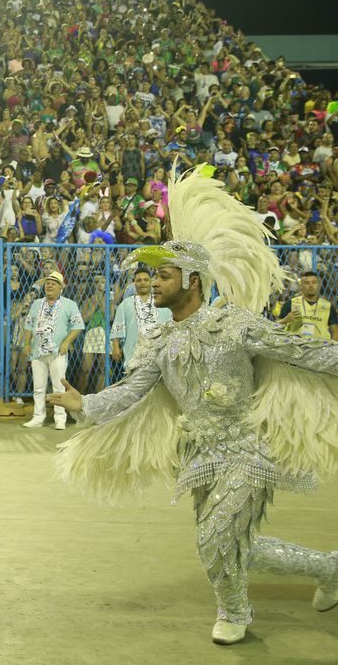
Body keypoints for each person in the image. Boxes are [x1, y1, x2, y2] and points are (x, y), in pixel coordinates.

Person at [53, 168, 338, 646]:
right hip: (199, 457)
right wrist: (87, 403)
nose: (153, 283)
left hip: (248, 451)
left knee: (214, 541)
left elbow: (304, 352)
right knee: (233, 545)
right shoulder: (160, 341)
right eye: (153, 275)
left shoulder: (236, 325)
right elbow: (131, 391)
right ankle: (328, 568)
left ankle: (235, 610)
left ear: (192, 279)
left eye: (163, 275)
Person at [21, 270, 84, 430]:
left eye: (53, 283)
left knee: (58, 386)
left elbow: (78, 326)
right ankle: (38, 417)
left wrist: (66, 342)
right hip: (37, 351)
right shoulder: (36, 304)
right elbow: (29, 325)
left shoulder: (70, 304)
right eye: (47, 283)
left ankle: (60, 418)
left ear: (60, 287)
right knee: (39, 387)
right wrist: (27, 343)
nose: (49, 285)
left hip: (58, 352)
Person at [110, 267, 172, 368]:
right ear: (134, 283)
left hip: (159, 353)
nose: (142, 283)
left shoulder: (162, 302)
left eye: (146, 280)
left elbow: (170, 325)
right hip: (134, 353)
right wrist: (115, 346)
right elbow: (118, 326)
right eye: (139, 280)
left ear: (151, 282)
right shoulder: (125, 304)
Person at [276, 270, 338, 340]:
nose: (311, 285)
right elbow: (275, 326)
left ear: (319, 285)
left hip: (321, 347)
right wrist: (285, 320)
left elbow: (335, 331)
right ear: (301, 286)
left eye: (314, 282)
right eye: (306, 283)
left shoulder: (328, 306)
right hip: (297, 346)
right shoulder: (291, 303)